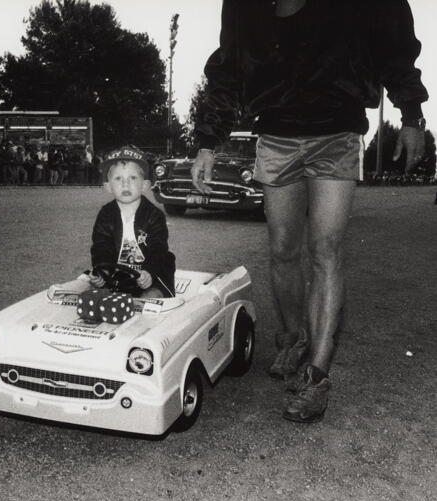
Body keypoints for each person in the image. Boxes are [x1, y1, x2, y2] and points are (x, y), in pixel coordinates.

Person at [191, 0, 428, 423]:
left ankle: (317, 374)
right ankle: (293, 339)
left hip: (336, 132)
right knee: (283, 248)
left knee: (325, 249)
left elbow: (395, 44)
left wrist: (412, 114)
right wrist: (207, 141)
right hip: (277, 134)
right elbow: (227, 69)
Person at [52, 146, 176, 300]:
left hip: (150, 274)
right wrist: (102, 273)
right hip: (116, 273)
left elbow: (158, 248)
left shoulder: (154, 215)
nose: (125, 184)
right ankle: (65, 293)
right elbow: (101, 246)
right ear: (108, 186)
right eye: (118, 179)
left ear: (145, 185)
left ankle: (148, 307)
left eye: (133, 178)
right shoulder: (106, 214)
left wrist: (149, 272)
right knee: (89, 279)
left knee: (151, 296)